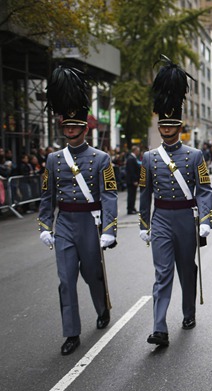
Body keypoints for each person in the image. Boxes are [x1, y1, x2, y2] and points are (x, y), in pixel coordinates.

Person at [38, 66, 117, 355]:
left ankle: (101, 307)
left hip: (90, 223)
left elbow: (109, 196)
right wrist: (45, 226)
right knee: (65, 280)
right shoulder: (53, 160)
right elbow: (46, 197)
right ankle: (71, 332)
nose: (71, 132)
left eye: (76, 127)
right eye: (67, 128)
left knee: (93, 275)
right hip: (65, 224)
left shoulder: (101, 158)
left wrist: (109, 229)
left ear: (85, 128)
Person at [139, 56, 212, 347]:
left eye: (172, 125)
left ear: (179, 126)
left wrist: (205, 220)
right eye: (163, 125)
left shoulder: (195, 156)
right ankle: (159, 327)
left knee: (186, 267)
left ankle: (189, 310)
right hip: (161, 219)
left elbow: (205, 189)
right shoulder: (149, 158)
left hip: (186, 218)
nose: (167, 129)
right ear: (159, 126)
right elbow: (145, 194)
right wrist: (144, 223)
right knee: (162, 272)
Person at [125, 145, 141, 214]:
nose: (139, 152)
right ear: (135, 151)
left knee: (133, 195)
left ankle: (132, 207)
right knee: (131, 195)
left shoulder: (132, 158)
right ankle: (130, 209)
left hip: (132, 180)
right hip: (131, 181)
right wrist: (134, 180)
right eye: (138, 151)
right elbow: (132, 171)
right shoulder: (131, 159)